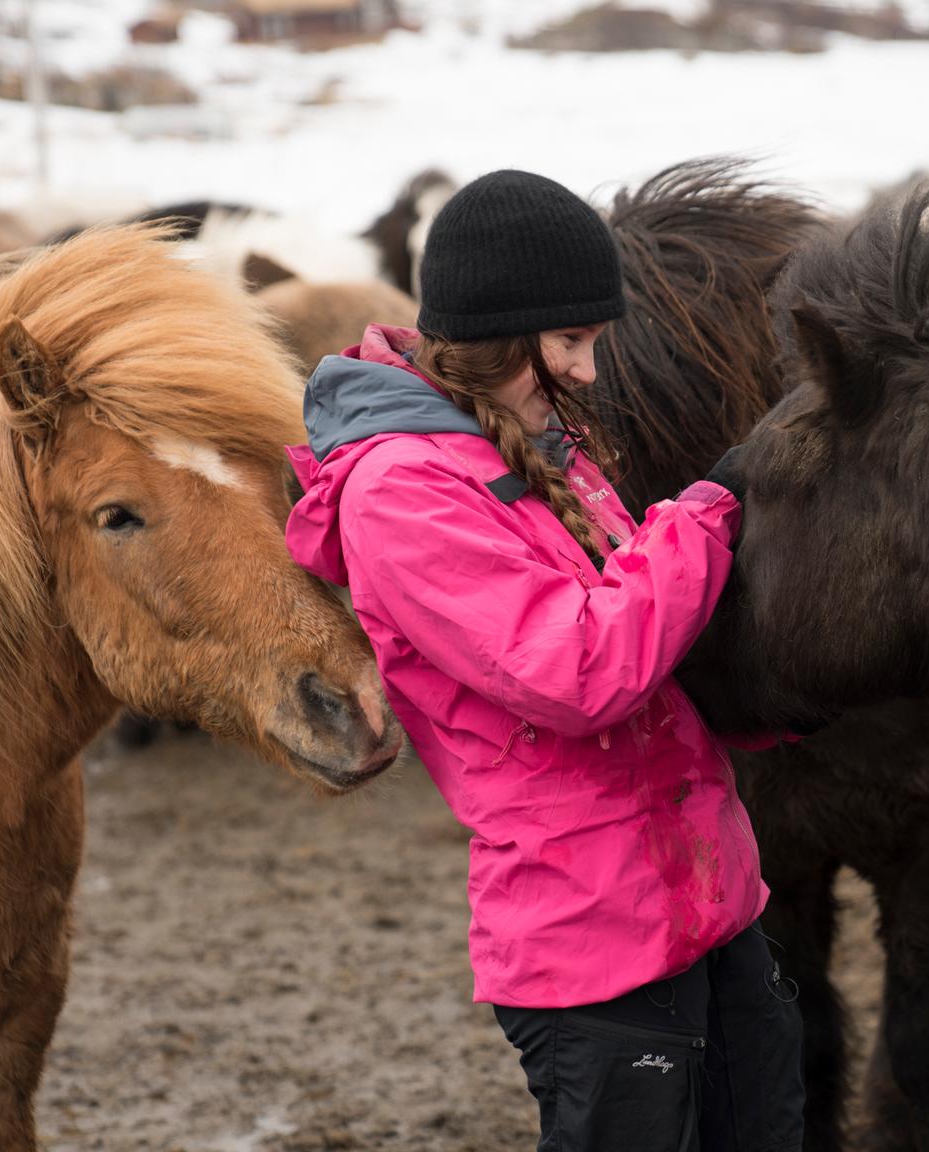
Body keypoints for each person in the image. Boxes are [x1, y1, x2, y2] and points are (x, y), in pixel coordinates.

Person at [284, 169, 804, 1151]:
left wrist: (770, 695)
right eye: (570, 342)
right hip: (594, 946)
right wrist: (704, 514)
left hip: (702, 902)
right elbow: (575, 670)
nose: (589, 373)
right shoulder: (401, 494)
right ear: (498, 339)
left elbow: (647, 645)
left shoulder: (533, 444)